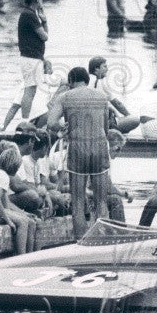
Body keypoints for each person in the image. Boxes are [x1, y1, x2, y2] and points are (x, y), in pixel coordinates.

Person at [45, 66, 112, 240]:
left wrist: (63, 128)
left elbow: (51, 123)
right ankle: (102, 240)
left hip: (78, 148)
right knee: (101, 201)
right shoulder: (102, 97)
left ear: (71, 81)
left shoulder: (65, 96)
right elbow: (106, 128)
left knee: (78, 201)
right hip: (99, 147)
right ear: (87, 80)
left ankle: (80, 241)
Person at [3, 0, 48, 128]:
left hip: (34, 57)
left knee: (32, 88)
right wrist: (43, 20)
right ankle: (25, 121)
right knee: (30, 88)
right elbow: (45, 36)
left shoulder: (32, 15)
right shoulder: (29, 14)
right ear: (35, 0)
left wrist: (44, 20)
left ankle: (27, 120)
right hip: (30, 58)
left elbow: (45, 36)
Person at [88, 56, 149, 134]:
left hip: (86, 122)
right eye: (104, 67)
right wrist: (128, 116)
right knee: (135, 120)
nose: (107, 69)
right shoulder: (100, 82)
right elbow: (117, 104)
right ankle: (111, 132)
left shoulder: (86, 80)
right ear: (96, 69)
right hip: (100, 125)